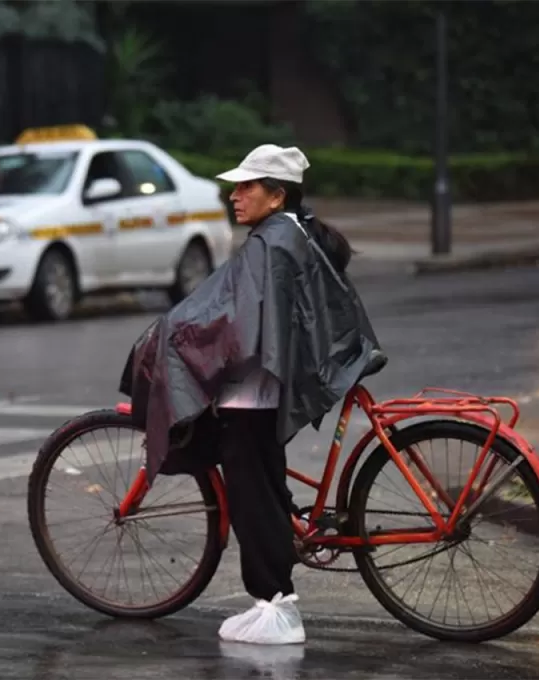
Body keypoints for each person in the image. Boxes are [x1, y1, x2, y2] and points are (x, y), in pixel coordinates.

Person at [117, 144, 382, 645]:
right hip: (265, 388)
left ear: (276, 194)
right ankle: (274, 592)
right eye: (235, 186)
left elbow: (231, 319)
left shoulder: (271, 244)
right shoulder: (288, 233)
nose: (233, 196)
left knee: (251, 495)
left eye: (246, 187)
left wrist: (172, 332)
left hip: (252, 395)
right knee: (264, 483)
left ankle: (277, 608)